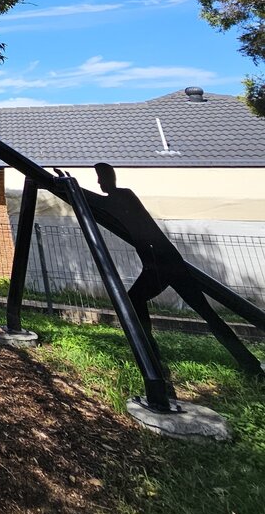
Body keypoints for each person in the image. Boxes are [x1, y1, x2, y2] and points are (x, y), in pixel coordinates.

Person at [86, 163, 263, 380]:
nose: (99, 182)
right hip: (165, 261)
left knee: (136, 299)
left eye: (101, 178)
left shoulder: (123, 196)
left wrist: (69, 185)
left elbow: (96, 201)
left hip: (160, 262)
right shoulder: (122, 198)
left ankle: (152, 356)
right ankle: (249, 364)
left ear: (110, 178)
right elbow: (99, 204)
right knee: (206, 312)